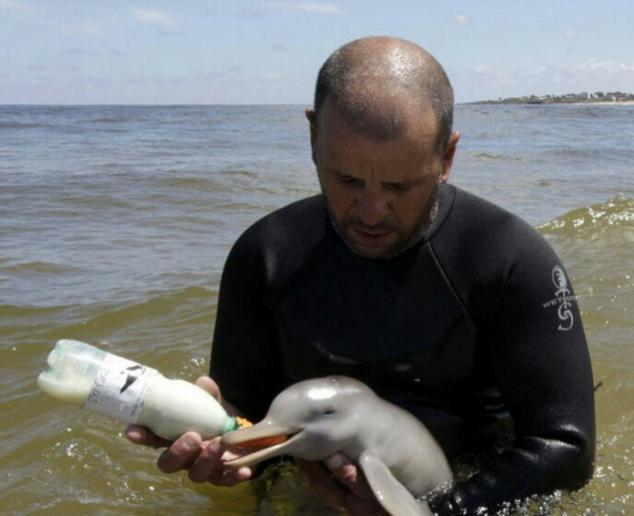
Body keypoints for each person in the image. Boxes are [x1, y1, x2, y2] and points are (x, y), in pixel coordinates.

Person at [127, 36, 595, 514]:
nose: (371, 213)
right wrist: (216, 443)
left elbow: (566, 451)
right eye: (347, 179)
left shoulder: (509, 260)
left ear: (447, 157)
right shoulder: (265, 256)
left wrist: (439, 511)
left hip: (470, 491)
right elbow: (246, 426)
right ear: (313, 137)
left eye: (400, 185)